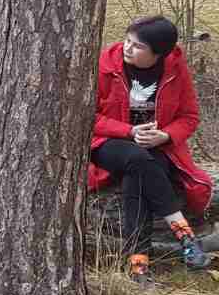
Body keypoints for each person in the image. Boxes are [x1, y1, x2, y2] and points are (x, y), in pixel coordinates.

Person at [90, 16, 212, 279]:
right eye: (127, 40)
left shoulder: (175, 70)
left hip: (157, 147)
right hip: (106, 142)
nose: (127, 48)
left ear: (159, 54)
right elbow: (88, 115)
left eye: (138, 46)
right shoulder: (105, 64)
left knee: (140, 171)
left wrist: (166, 136)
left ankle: (138, 263)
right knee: (137, 158)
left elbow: (189, 117)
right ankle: (186, 236)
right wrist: (129, 131)